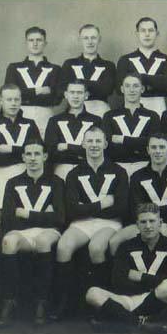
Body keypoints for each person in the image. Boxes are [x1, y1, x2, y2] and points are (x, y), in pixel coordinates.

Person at [51, 125, 128, 319]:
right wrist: (103, 202)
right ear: (83, 144)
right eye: (90, 141)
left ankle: (100, 304)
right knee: (63, 246)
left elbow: (121, 208)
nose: (94, 145)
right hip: (82, 222)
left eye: (98, 141)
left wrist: (87, 207)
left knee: (96, 247)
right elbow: (72, 209)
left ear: (105, 144)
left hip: (110, 222)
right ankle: (64, 302)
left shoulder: (118, 171)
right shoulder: (74, 173)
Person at [0, 138, 65, 327]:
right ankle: (9, 300)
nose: (32, 158)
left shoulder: (56, 182)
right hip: (22, 233)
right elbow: (9, 218)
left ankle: (41, 301)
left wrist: (25, 213)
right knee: (8, 242)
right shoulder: (13, 183)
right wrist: (44, 214)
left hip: (49, 232)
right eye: (28, 154)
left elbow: (59, 218)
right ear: (23, 157)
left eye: (37, 154)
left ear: (44, 156)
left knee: (43, 241)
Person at [85, 203, 167, 334]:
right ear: (137, 224)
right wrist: (153, 281)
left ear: (160, 223)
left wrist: (139, 276)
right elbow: (118, 280)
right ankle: (139, 323)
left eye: (152, 221)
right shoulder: (126, 246)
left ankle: (121, 320)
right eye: (143, 222)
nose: (148, 226)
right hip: (127, 299)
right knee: (92, 293)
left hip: (154, 299)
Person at [108, 133, 167, 260]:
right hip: (144, 225)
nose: (157, 151)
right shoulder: (138, 176)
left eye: (161, 147)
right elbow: (135, 210)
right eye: (153, 147)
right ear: (148, 150)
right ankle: (122, 277)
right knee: (114, 242)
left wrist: (149, 209)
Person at [0, 83, 42, 212]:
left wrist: (9, 149)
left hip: (26, 178)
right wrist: (23, 153)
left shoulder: (30, 124)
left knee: (25, 219)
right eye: (9, 100)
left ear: (21, 100)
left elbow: (39, 152)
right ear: (1, 101)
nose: (13, 103)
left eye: (17, 99)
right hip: (0, 179)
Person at [3, 26, 62, 135]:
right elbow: (9, 95)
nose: (35, 44)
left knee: (45, 148)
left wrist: (24, 94)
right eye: (31, 40)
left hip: (45, 115)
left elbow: (56, 99)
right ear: (26, 43)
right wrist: (38, 91)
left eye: (39, 40)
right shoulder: (14, 68)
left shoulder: (55, 69)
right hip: (20, 114)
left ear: (45, 43)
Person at [102, 72, 159, 177]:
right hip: (117, 167)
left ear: (142, 89)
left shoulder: (152, 116)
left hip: (145, 166)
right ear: (122, 89)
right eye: (127, 86)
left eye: (135, 86)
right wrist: (139, 144)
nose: (131, 90)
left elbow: (152, 143)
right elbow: (108, 146)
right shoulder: (109, 116)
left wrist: (122, 140)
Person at [43, 80, 102, 180]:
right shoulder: (54, 120)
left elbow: (97, 150)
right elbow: (50, 152)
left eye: (79, 93)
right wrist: (80, 151)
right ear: (66, 94)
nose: (75, 96)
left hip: (87, 169)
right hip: (61, 169)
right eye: (72, 92)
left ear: (86, 95)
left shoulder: (96, 120)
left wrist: (66, 146)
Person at [116, 17, 167, 116]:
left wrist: (139, 77)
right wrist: (156, 81)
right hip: (132, 107)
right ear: (137, 34)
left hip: (158, 105)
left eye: (151, 30)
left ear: (157, 33)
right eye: (143, 30)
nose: (147, 34)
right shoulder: (125, 60)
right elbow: (119, 88)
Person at [58, 23, 116, 116]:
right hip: (75, 110)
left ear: (99, 39)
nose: (90, 42)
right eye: (86, 38)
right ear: (80, 40)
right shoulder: (69, 64)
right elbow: (61, 89)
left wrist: (78, 82)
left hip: (100, 109)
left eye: (93, 38)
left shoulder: (108, 65)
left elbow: (106, 90)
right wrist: (96, 86)